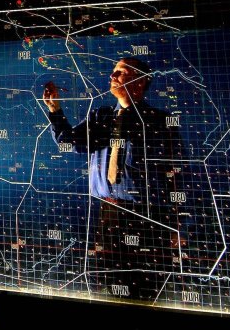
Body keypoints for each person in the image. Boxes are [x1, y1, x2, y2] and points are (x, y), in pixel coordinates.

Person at [43, 57, 181, 301]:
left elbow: (176, 174)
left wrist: (178, 224)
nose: (112, 76)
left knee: (144, 286)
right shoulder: (102, 117)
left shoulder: (160, 121)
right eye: (114, 71)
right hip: (109, 213)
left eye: (121, 72)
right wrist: (55, 111)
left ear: (140, 82)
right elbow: (70, 142)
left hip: (148, 217)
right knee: (108, 280)